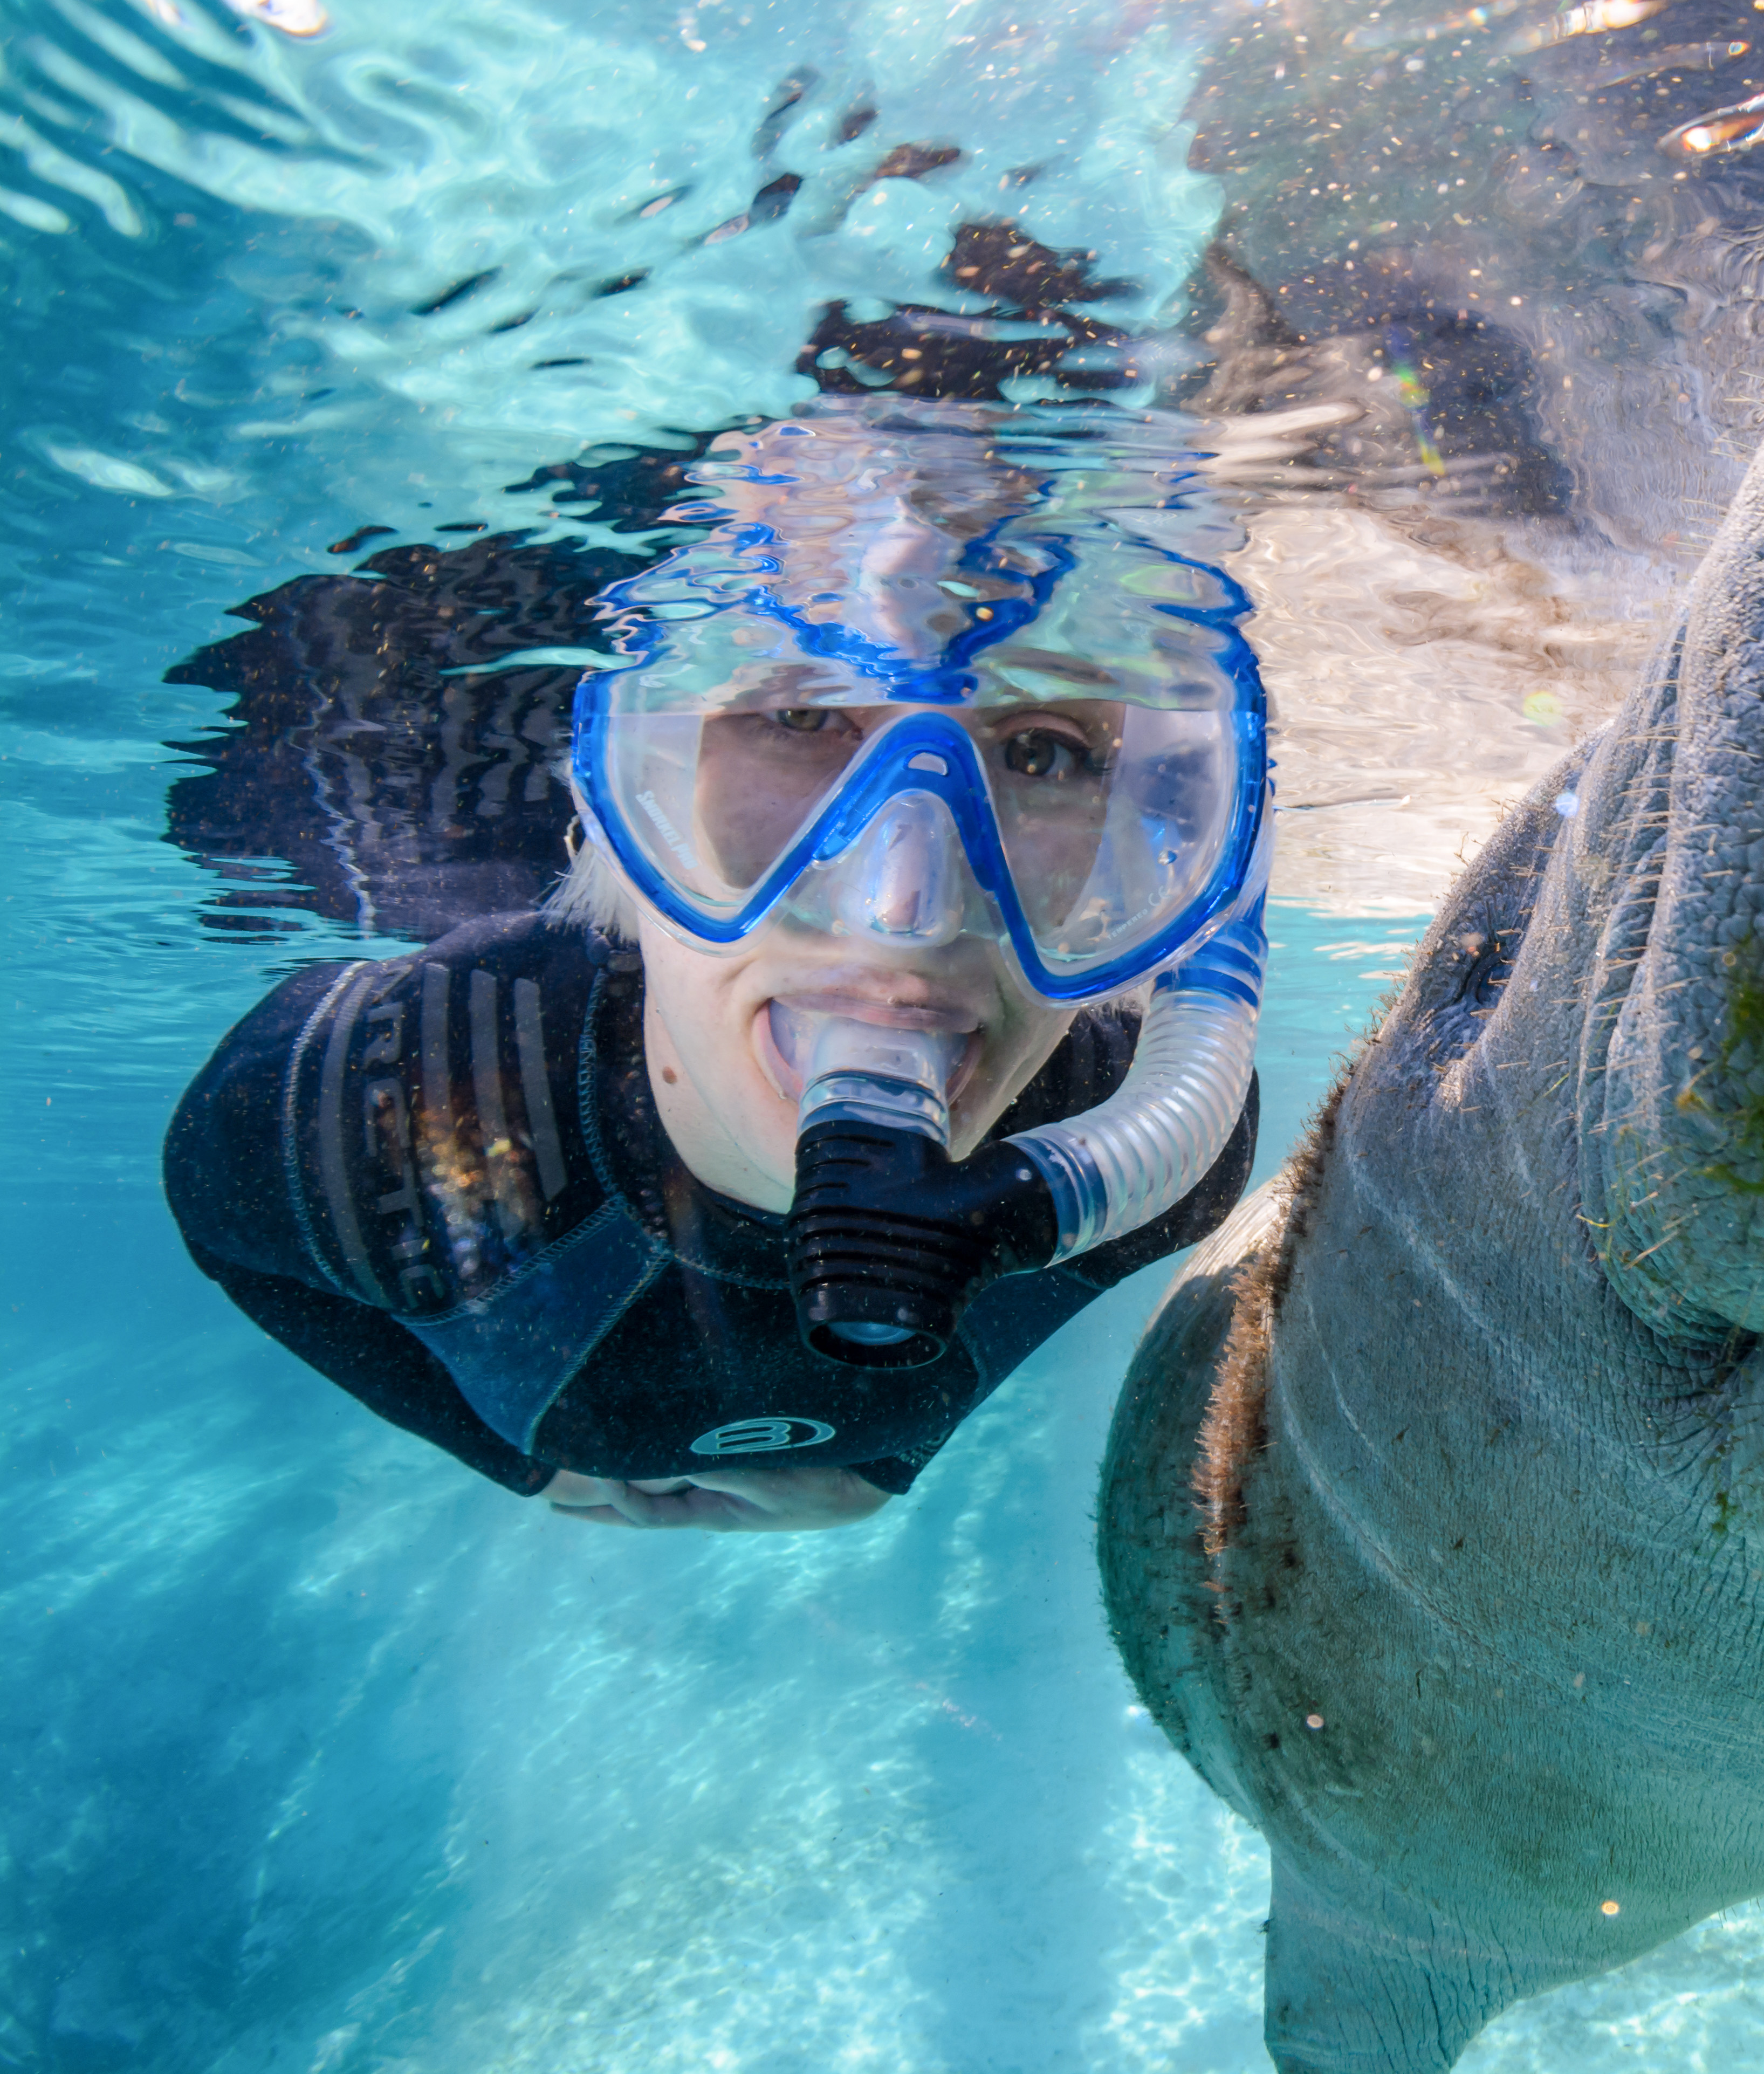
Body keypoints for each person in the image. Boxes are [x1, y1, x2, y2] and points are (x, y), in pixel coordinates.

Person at [163, 401, 1272, 1533]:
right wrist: (522, 1464)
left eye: (1045, 751)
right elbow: (226, 1228)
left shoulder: (1159, 1138)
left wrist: (891, 1464)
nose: (908, 912)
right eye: (799, 714)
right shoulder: (394, 1090)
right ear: (624, 787)